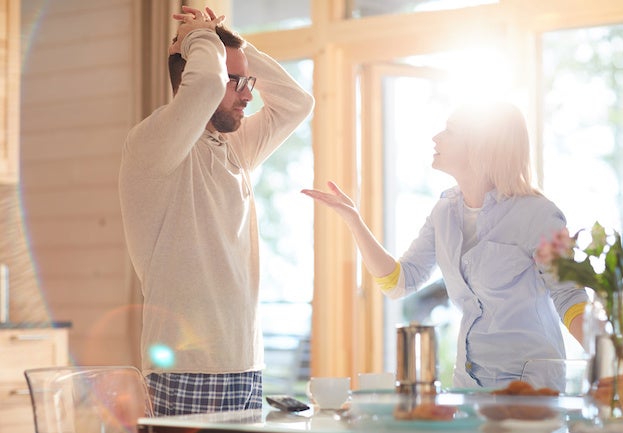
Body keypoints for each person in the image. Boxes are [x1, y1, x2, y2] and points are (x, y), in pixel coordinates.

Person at [302, 101, 587, 390]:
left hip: (529, 390)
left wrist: (616, 370)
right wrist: (354, 221)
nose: (436, 137)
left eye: (450, 131)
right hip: (468, 387)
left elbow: (571, 301)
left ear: (480, 145)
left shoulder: (538, 214)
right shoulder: (444, 213)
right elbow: (399, 282)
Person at [119, 5, 314, 415]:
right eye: (236, 82)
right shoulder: (154, 144)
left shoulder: (234, 148)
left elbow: (297, 103)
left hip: (246, 363)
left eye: (249, 82)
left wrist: (229, 37)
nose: (248, 94)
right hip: (186, 367)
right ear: (190, 76)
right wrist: (196, 36)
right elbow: (207, 85)